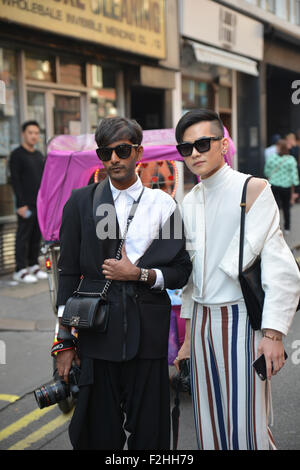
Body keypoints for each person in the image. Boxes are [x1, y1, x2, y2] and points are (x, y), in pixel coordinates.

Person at [54, 117, 192, 450]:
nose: (114, 158)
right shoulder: (81, 202)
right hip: (97, 330)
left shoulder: (163, 204)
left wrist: (141, 275)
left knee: (150, 433)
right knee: (98, 432)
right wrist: (63, 341)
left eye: (122, 150)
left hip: (148, 335)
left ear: (138, 153)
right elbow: (69, 272)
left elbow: (181, 270)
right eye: (106, 152)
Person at [174, 109, 300, 450]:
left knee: (246, 424)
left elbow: (281, 268)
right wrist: (186, 338)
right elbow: (191, 279)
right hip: (200, 321)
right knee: (208, 421)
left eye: (202, 143)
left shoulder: (253, 188)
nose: (195, 153)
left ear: (223, 144)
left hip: (240, 318)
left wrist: (273, 334)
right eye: (186, 148)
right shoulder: (190, 201)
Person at [9, 120, 46, 283]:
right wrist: (20, 205)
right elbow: (15, 180)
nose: (33, 136)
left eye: (36, 133)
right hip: (25, 205)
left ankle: (33, 265)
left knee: (36, 236)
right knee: (23, 236)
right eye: (30, 133)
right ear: (23, 134)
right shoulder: (17, 155)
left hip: (39, 203)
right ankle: (20, 269)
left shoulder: (39, 156)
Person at [264, 139, 299, 234]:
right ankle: (287, 228)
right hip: (286, 187)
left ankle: (275, 227)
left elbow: (266, 171)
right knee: (286, 207)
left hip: (274, 185)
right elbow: (294, 175)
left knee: (274, 207)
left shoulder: (272, 158)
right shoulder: (291, 160)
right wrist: (296, 190)